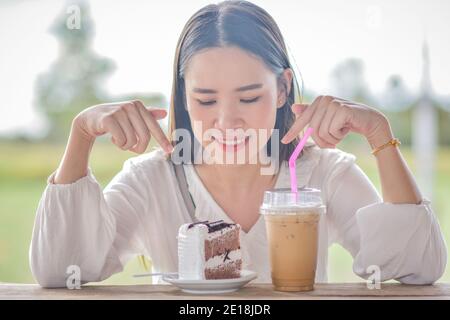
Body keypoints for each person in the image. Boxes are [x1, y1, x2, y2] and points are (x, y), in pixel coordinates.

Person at [30, 0, 447, 288]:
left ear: (283, 89)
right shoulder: (152, 179)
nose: (227, 121)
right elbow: (61, 270)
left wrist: (379, 133)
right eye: (205, 100)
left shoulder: (323, 174)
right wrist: (81, 134)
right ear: (182, 96)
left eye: (249, 98)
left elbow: (418, 268)